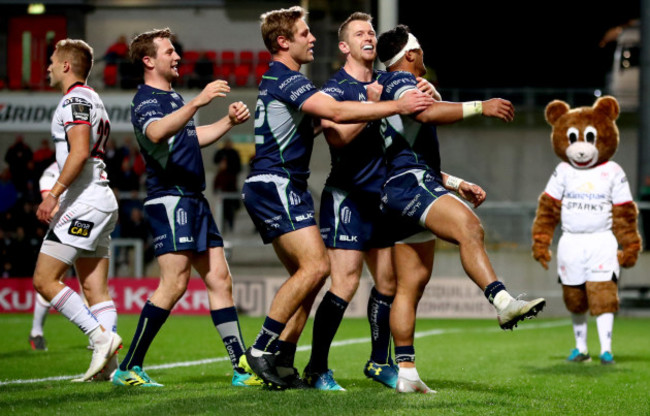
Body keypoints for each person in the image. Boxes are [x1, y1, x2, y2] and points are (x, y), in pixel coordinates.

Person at [239, 6, 434, 390]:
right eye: (305, 32)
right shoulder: (302, 82)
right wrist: (388, 105)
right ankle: (268, 353)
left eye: (371, 31)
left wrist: (419, 89)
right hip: (306, 188)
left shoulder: (301, 82)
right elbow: (336, 123)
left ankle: (288, 359)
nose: (313, 38)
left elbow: (395, 136)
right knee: (318, 271)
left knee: (321, 278)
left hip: (352, 193)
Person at [375, 25, 546, 393]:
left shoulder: (391, 87)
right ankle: (501, 301)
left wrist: (455, 184)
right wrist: (480, 106)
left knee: (411, 286)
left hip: (400, 189)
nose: (423, 54)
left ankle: (405, 372)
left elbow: (415, 145)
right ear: (409, 55)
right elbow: (425, 116)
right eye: (418, 49)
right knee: (470, 227)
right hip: (410, 184)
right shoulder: (399, 85)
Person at [301, 12, 439, 391]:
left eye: (372, 33)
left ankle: (379, 362)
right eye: (360, 33)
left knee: (389, 284)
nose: (369, 37)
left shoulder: (386, 82)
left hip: (381, 200)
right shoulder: (334, 88)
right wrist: (377, 105)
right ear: (344, 45)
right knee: (344, 285)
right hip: (347, 198)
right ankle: (316, 368)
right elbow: (336, 138)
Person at [112, 28, 255, 388]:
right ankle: (128, 367)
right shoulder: (146, 99)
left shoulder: (173, 98)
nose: (177, 57)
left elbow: (191, 137)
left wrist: (228, 122)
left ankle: (241, 369)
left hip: (194, 199)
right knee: (174, 284)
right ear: (149, 61)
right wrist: (197, 102)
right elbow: (157, 132)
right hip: (170, 198)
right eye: (169, 52)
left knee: (220, 279)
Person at [32, 38, 122, 382]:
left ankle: (100, 337)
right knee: (94, 289)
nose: (49, 67)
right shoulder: (92, 98)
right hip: (98, 200)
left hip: (84, 202)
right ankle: (108, 369)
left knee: (44, 279)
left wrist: (53, 194)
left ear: (67, 66)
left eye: (53, 61)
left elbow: (79, 151)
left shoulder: (74, 100)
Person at [212, 138, 242, 233]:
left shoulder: (234, 153)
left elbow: (238, 167)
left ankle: (230, 225)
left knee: (231, 208)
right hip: (223, 186)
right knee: (222, 208)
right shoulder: (221, 152)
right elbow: (215, 160)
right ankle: (223, 226)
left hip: (231, 185)